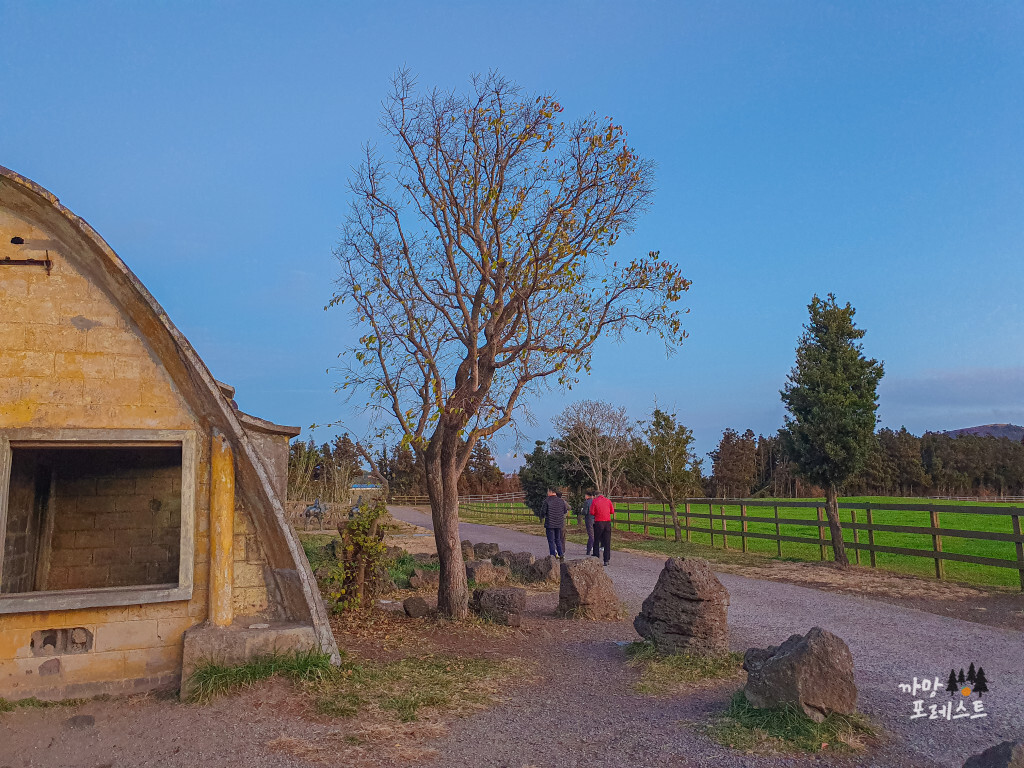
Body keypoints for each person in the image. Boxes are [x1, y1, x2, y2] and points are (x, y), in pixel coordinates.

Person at [540, 488, 568, 559]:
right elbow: (565, 511)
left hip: (550, 523)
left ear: (550, 492)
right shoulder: (561, 501)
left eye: (548, 491)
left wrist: (543, 516)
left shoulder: (547, 501)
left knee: (551, 540)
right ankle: (561, 554)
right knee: (558, 539)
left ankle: (553, 555)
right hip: (559, 523)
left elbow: (543, 512)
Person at [590, 492, 615, 566]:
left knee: (596, 539)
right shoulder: (608, 501)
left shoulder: (595, 501)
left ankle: (596, 555)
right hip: (607, 522)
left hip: (599, 522)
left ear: (595, 496)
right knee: (607, 541)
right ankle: (606, 559)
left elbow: (592, 512)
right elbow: (612, 511)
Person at [581, 490, 595, 556]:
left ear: (587, 495)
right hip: (595, 519)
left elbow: (585, 512)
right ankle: (595, 548)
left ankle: (589, 549)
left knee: (591, 535)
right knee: (595, 534)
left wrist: (582, 511)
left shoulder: (587, 502)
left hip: (589, 519)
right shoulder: (595, 501)